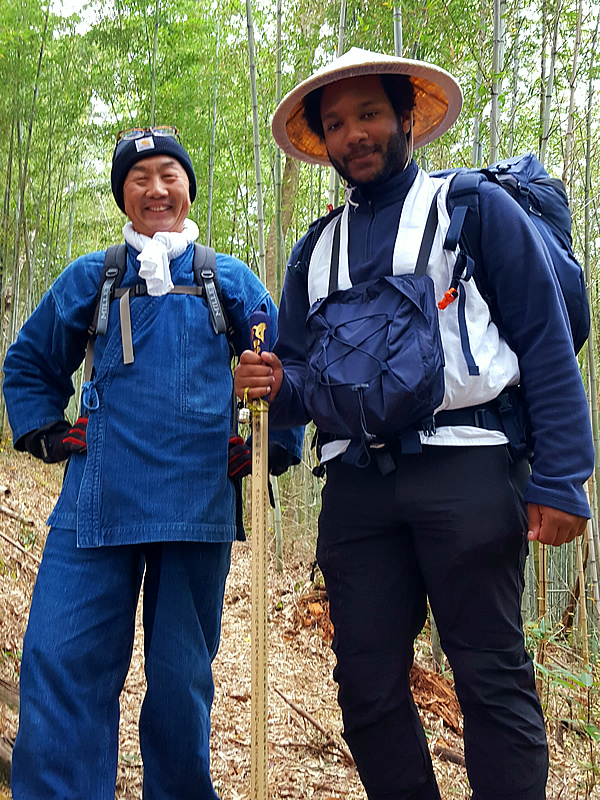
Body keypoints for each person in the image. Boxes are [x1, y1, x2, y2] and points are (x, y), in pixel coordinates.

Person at [234, 49, 594, 800]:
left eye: (367, 114)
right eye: (335, 124)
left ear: (406, 117)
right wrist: (275, 383)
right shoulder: (313, 250)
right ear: (323, 141)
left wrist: (564, 477)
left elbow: (544, 339)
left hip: (468, 467)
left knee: (490, 677)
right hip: (358, 489)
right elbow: (305, 377)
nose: (353, 135)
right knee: (365, 688)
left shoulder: (472, 210)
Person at [3, 125, 302, 800]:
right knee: (58, 657)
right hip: (95, 501)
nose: (156, 189)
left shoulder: (229, 279)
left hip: (197, 505)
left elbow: (287, 372)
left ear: (188, 188)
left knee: (180, 679)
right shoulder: (95, 276)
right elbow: (28, 363)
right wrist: (46, 433)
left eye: (169, 174)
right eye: (139, 178)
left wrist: (270, 447)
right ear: (123, 196)